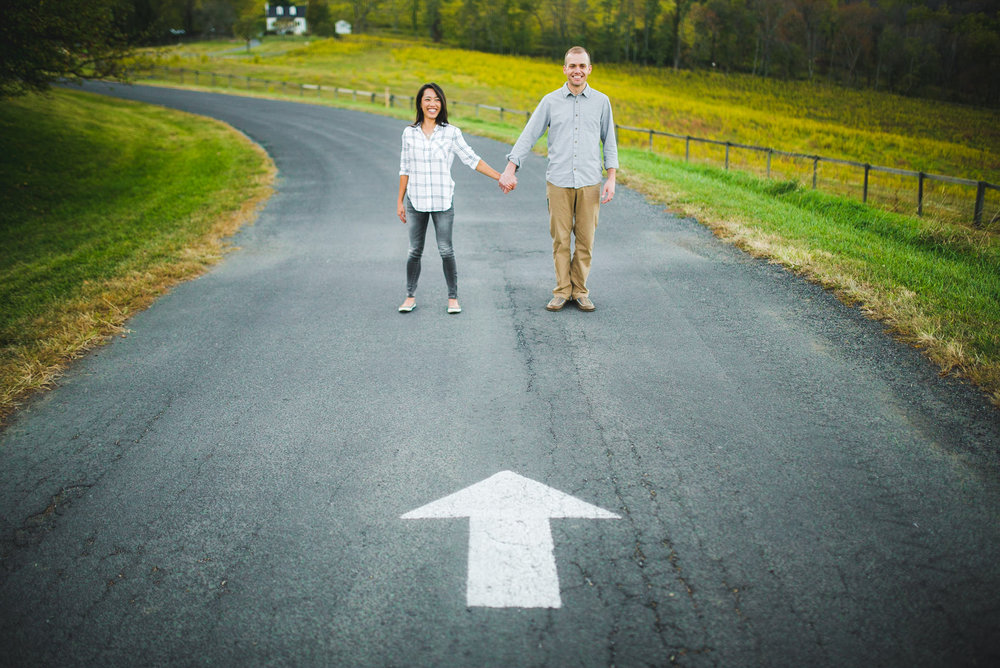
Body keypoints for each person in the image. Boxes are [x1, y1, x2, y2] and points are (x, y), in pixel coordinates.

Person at [499, 46, 618, 312]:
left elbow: (609, 141)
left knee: (586, 240)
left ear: (589, 69)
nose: (577, 70)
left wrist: (611, 177)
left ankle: (581, 291)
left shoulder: (601, 102)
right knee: (561, 240)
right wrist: (510, 167)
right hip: (559, 182)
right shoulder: (550, 101)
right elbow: (529, 135)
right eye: (572, 66)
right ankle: (562, 291)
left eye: (582, 66)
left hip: (589, 181)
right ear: (564, 69)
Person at [397, 82, 509, 314]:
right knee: (414, 251)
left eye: (437, 100)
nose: (432, 104)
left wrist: (500, 177)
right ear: (420, 102)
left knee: (446, 249)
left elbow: (472, 159)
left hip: (442, 200)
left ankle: (452, 298)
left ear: (442, 104)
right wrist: (399, 201)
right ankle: (409, 296)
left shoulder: (451, 133)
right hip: (415, 200)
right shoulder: (409, 133)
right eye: (428, 99)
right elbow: (404, 168)